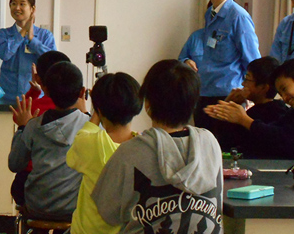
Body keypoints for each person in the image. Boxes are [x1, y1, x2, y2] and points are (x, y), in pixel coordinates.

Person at [92, 60, 223, 234]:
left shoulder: (130, 152)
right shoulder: (210, 143)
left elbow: (108, 212)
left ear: (147, 105)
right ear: (193, 104)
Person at [181, 0, 260, 135]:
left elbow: (253, 61)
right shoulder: (211, 13)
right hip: (205, 92)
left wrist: (246, 94)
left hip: (226, 96)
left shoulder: (238, 16)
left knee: (220, 150)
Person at [8, 61, 89, 221]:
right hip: (74, 209)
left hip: (36, 207)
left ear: (45, 89)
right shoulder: (89, 126)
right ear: (82, 92)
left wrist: (22, 128)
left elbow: (15, 164)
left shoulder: (33, 126)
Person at [66, 72, 142, 234]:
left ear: (99, 110)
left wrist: (95, 114)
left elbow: (73, 155)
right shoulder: (143, 148)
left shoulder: (90, 143)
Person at [204, 58, 294, 161]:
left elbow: (285, 140)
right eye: (281, 93)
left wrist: (244, 120)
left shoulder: (282, 111)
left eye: (285, 89)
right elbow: (273, 130)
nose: (284, 98)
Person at [10, 50, 71, 206]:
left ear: (38, 78)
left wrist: (33, 93)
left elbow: (20, 114)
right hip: (69, 189)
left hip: (34, 184)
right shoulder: (78, 113)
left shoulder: (34, 107)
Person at [206, 56, 289, 153]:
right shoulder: (279, 109)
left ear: (263, 87)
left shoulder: (258, 115)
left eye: (247, 80)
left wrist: (227, 106)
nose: (243, 84)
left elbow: (225, 141)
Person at [0, 0, 57, 101]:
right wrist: (23, 31)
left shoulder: (45, 35)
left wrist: (32, 40)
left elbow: (52, 60)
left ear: (32, 9)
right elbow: (5, 54)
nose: (17, 8)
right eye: (13, 4)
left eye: (22, 4)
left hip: (38, 97)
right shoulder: (3, 34)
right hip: (9, 97)